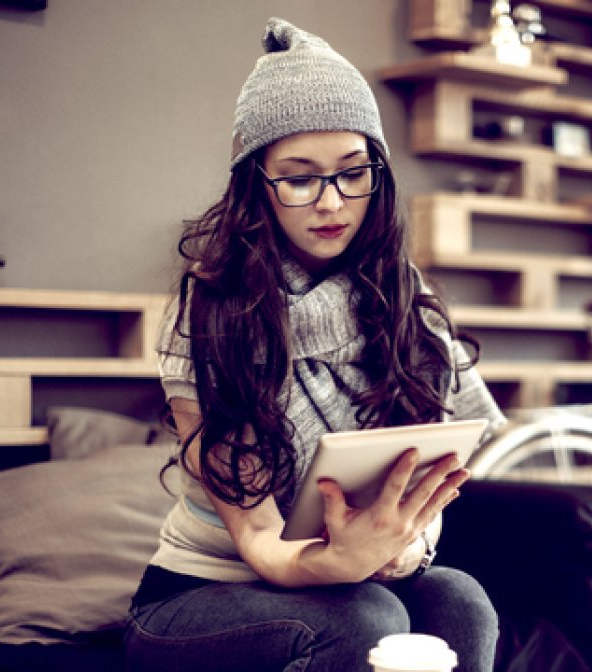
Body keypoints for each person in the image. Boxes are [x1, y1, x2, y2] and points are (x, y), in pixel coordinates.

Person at [124, 17, 505, 672]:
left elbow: (425, 472)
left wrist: (406, 547)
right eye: (299, 178)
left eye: (352, 173)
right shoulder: (213, 310)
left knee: (461, 603)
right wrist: (337, 560)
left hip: (353, 581)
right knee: (370, 617)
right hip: (203, 594)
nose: (331, 202)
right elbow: (260, 541)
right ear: (257, 185)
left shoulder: (404, 303)